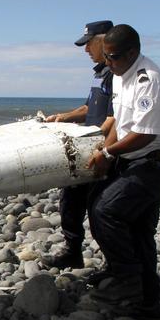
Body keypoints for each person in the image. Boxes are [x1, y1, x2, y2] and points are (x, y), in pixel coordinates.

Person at [87, 24, 160, 320]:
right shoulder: (120, 75)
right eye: (106, 56)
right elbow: (120, 121)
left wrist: (107, 153)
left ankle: (126, 280)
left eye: (114, 57)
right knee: (137, 228)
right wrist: (107, 154)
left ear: (133, 52)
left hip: (159, 163)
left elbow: (145, 134)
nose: (108, 63)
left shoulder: (150, 81)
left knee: (107, 211)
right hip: (137, 160)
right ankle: (148, 303)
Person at [41, 20, 114, 269]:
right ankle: (73, 251)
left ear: (105, 41)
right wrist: (61, 118)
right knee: (70, 200)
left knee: (99, 209)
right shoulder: (99, 74)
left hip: (104, 150)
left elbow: (116, 118)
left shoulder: (117, 74)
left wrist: (103, 150)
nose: (85, 50)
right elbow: (88, 108)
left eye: (89, 44)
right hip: (87, 147)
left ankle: (113, 264)